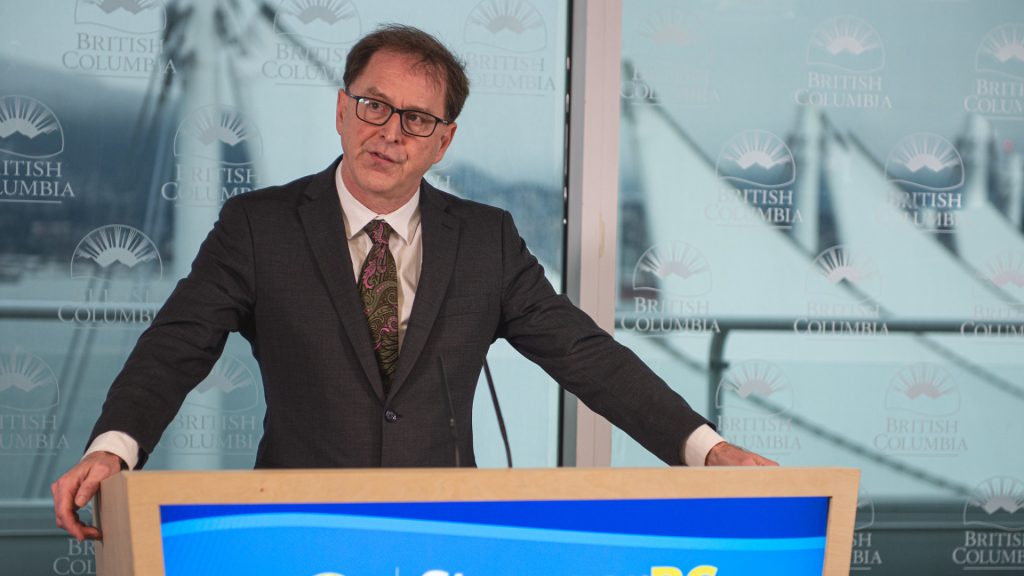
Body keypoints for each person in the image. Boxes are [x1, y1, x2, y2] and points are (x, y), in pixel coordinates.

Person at [52, 24, 776, 541]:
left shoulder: (486, 240)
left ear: (443, 140)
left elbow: (586, 355)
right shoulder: (257, 228)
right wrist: (113, 447)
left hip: (444, 535)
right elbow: (176, 346)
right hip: (295, 534)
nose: (389, 132)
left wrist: (704, 448)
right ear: (342, 110)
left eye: (417, 118)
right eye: (373, 105)